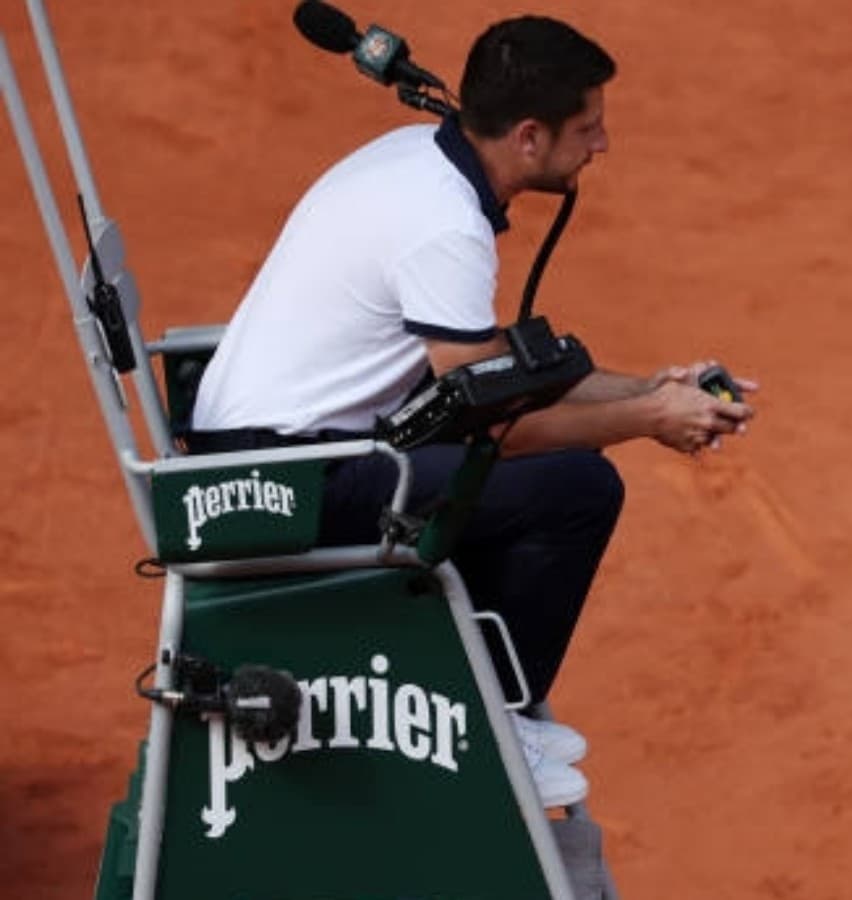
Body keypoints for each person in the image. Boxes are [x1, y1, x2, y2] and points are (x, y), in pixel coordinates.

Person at [190, 15, 755, 807]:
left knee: (514, 473)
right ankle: (487, 719)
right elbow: (498, 428)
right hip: (281, 482)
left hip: (277, 449)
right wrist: (649, 422)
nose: (601, 146)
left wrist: (648, 387)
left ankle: (472, 689)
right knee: (575, 490)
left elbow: (491, 378)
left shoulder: (417, 161)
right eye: (588, 129)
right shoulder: (446, 227)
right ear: (529, 137)